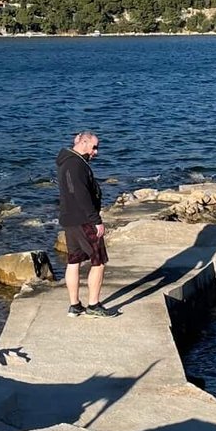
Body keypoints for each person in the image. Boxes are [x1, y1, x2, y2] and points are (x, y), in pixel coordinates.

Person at [56, 130, 119, 318]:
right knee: (98, 262)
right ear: (83, 142)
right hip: (83, 220)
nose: (96, 152)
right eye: (94, 147)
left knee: (74, 261)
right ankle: (93, 305)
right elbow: (81, 195)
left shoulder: (66, 161)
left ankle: (74, 305)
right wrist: (96, 220)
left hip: (69, 219)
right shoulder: (76, 165)